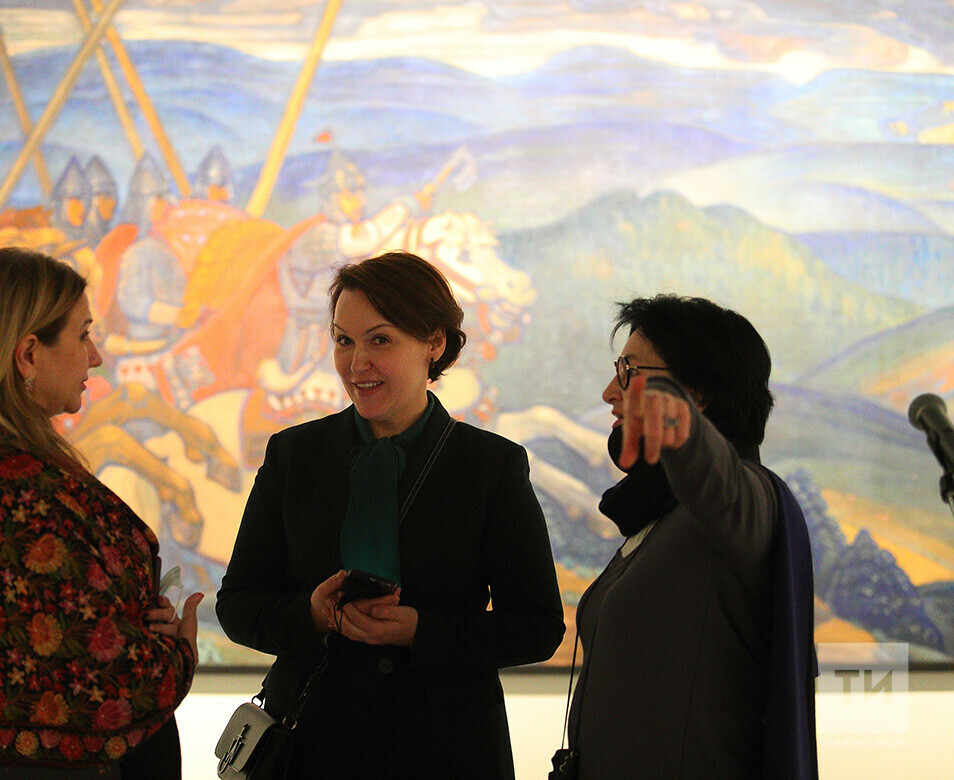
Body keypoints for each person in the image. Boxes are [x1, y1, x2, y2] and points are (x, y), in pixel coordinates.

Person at [216, 250, 565, 779]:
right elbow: (238, 605)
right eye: (343, 340)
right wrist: (313, 615)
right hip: (310, 747)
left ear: (435, 343)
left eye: (380, 340)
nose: (357, 363)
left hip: (443, 750)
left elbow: (536, 627)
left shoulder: (489, 465)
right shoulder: (294, 455)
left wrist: (420, 631)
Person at [0, 247, 202, 779]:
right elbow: (101, 685)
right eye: (83, 334)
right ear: (28, 354)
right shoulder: (20, 492)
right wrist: (177, 653)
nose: (95, 356)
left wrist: (138, 618)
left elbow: (67, 626)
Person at [566, 295, 817, 779]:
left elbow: (719, 483)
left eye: (629, 372)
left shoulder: (746, 502)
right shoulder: (661, 514)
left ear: (696, 396)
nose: (610, 392)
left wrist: (684, 425)